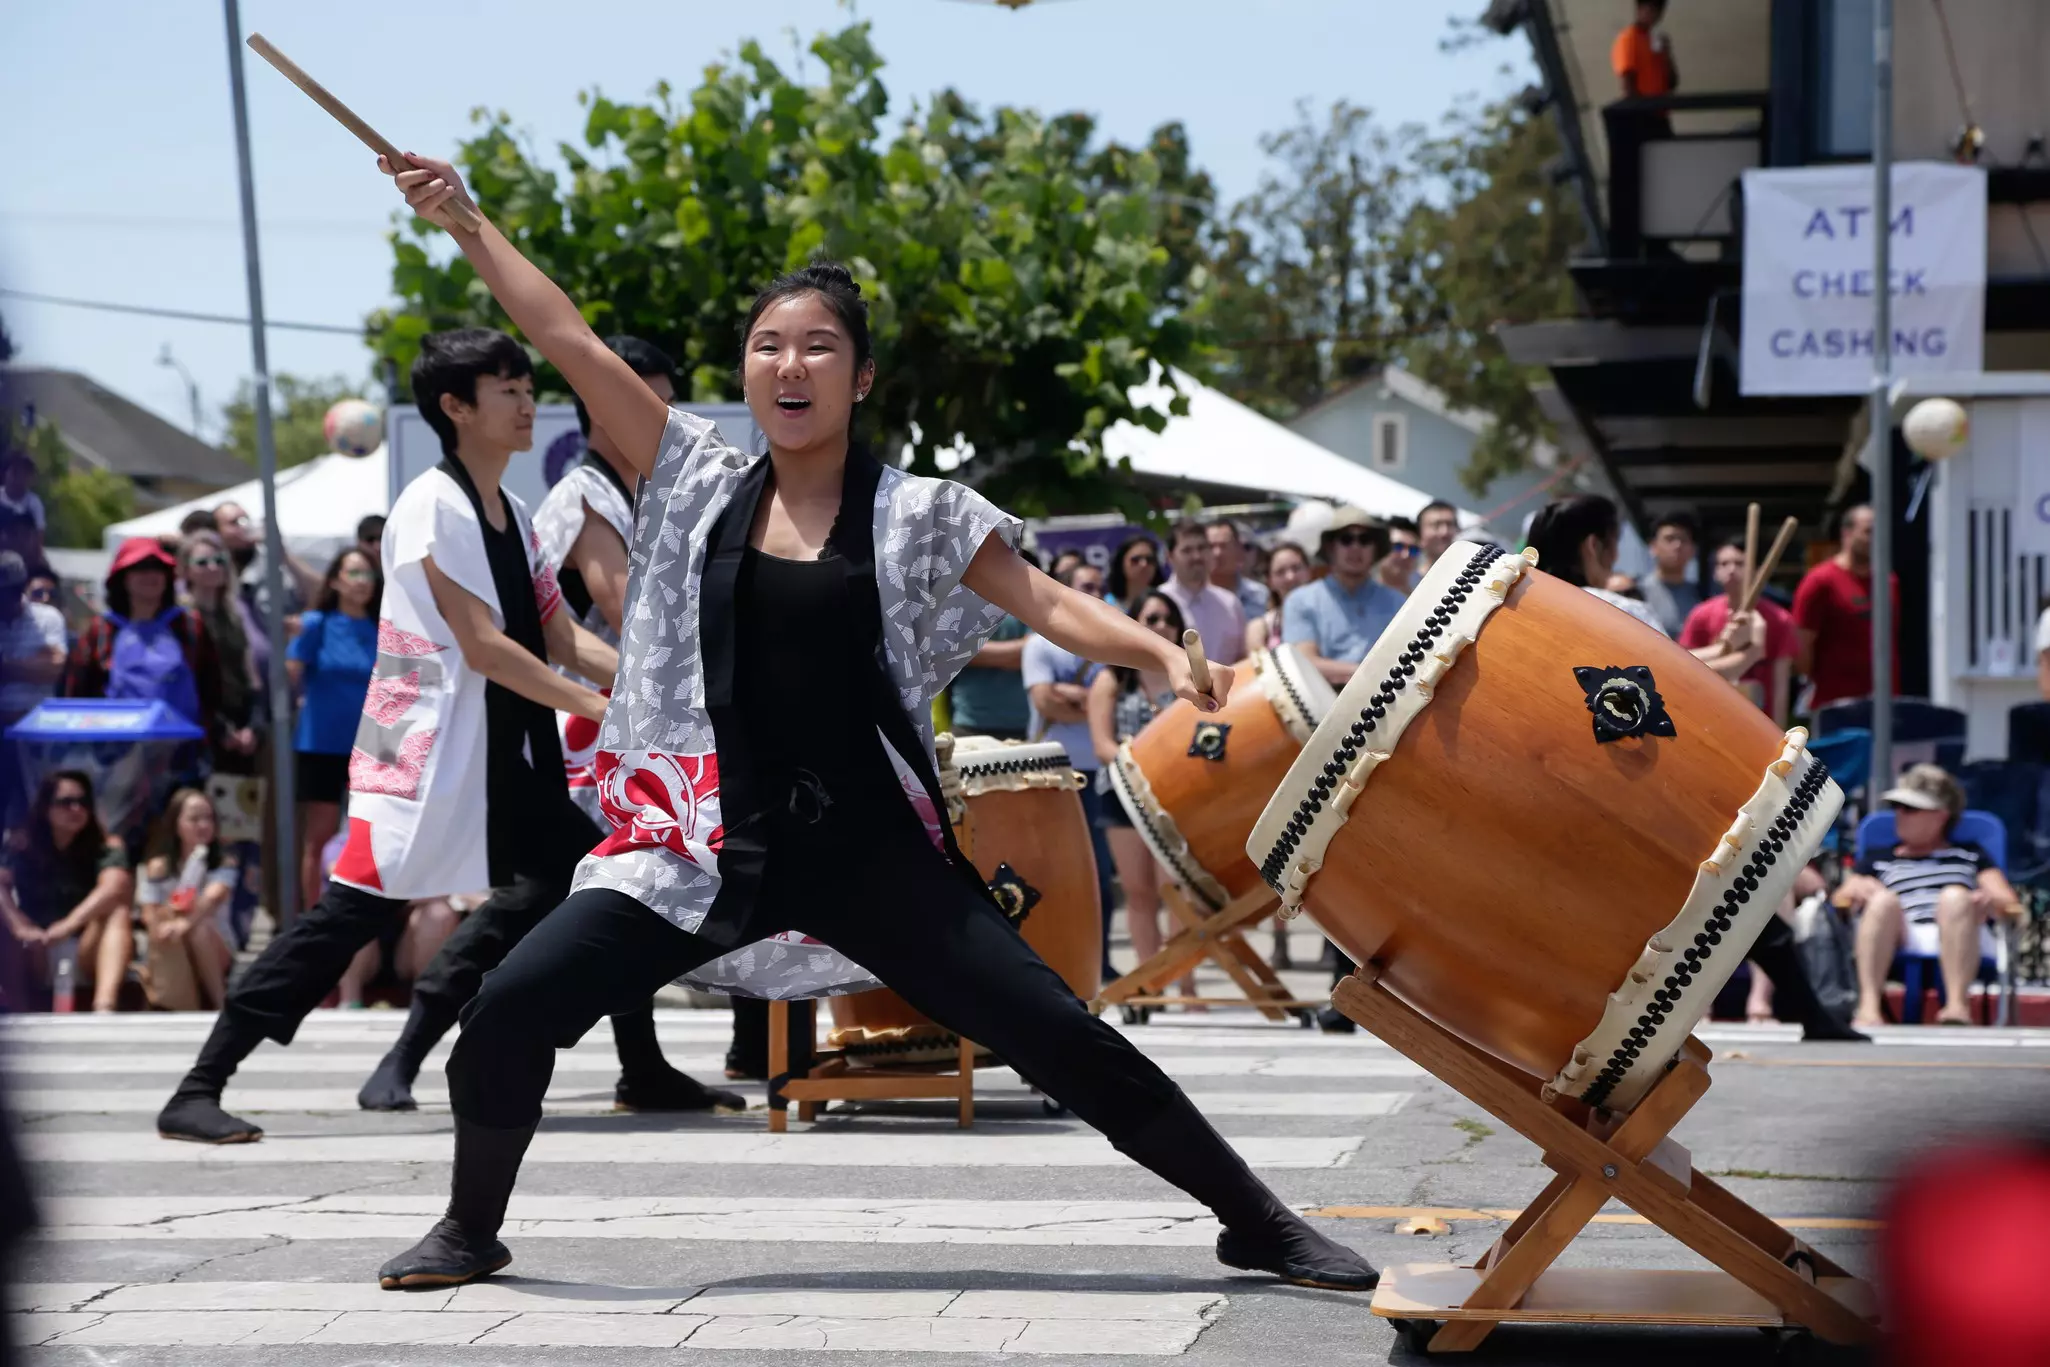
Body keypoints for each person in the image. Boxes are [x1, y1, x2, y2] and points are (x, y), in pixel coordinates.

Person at [370, 152, 1374, 1294]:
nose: (788, 365)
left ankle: (1255, 1220)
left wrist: (1152, 648)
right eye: (767, 346)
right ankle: (469, 1225)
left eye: (817, 347)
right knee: (509, 1008)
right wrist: (464, 220)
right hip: (703, 841)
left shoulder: (921, 514)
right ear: (744, 374)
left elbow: (1045, 600)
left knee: (1059, 1033)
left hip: (869, 849)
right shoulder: (693, 474)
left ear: (859, 376)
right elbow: (571, 341)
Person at [155, 327, 718, 1146]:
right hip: (415, 757)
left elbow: (559, 635)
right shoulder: (432, 506)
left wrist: (649, 687)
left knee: (616, 879)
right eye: (507, 389)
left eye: (528, 387)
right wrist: (609, 711)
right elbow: (486, 647)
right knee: (342, 921)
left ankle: (641, 1063)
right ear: (455, 407)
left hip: (498, 760)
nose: (527, 402)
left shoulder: (515, 511)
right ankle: (199, 1085)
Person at [532, 334, 745, 1111]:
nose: (650, 415)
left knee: (634, 881)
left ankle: (655, 1060)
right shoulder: (583, 493)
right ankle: (422, 1039)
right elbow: (618, 608)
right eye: (633, 396)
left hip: (638, 716)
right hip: (589, 722)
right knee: (594, 889)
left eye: (660, 401)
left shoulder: (653, 495)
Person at [1839, 764, 2025, 1028]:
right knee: (1882, 901)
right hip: (1899, 932)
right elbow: (1841, 900)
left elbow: (2007, 901)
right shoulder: (1879, 858)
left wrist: (1989, 899)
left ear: (1941, 815)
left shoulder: (1970, 855)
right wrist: (1857, 889)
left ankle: (1957, 1007)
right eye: (1896, 808)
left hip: (1958, 929)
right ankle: (1868, 1008)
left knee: (1955, 897)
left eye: (1910, 809)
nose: (1899, 815)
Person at [1088, 591, 1195, 1005]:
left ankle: (1184, 984)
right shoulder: (1111, 678)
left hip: (1176, 794)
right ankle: (1152, 984)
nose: (1162, 625)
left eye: (1169, 618)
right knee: (1139, 891)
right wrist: (1146, 768)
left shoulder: (1185, 677)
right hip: (1123, 795)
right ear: (1135, 623)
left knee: (1176, 892)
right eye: (1151, 617)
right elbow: (1102, 745)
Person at [1023, 561, 1121, 977]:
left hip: (1098, 774)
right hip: (1051, 776)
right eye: (1085, 586)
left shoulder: (1115, 639)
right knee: (1048, 875)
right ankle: (1049, 959)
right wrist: (1099, 703)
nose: (1094, 593)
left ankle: (1098, 962)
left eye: (1099, 587)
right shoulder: (1040, 643)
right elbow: (1044, 700)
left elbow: (1122, 700)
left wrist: (1079, 699)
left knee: (1100, 877)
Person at [287, 547, 382, 912]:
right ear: (336, 581)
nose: (362, 582)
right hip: (322, 744)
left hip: (374, 748)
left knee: (368, 835)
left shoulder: (383, 628)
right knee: (318, 838)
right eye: (354, 573)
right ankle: (311, 916)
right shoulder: (316, 624)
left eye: (368, 574)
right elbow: (290, 675)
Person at [0, 770, 134, 1012]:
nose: (76, 809)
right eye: (66, 803)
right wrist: (19, 925)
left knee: (118, 912)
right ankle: (18, 1013)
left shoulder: (106, 845)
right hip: (37, 948)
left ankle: (104, 1007)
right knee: (6, 925)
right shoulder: (22, 845)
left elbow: (115, 886)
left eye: (83, 802)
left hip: (87, 948)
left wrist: (69, 924)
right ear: (45, 808)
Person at [63, 538, 220, 736]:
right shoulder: (101, 630)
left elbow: (211, 688)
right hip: (114, 750)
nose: (151, 575)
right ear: (123, 578)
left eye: (158, 567)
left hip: (181, 750)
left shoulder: (189, 625)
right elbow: (77, 692)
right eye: (141, 568)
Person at [135, 787, 239, 1012]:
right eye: (194, 819)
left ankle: (222, 1005)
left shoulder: (223, 863)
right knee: (165, 932)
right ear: (176, 824)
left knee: (198, 927)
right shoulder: (158, 867)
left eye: (208, 818)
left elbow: (212, 899)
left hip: (215, 945)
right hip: (172, 945)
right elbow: (148, 911)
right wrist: (160, 929)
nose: (203, 825)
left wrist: (183, 924)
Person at [1282, 508, 1407, 689]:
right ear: (1331, 548)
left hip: (1386, 700)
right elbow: (1304, 661)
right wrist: (1365, 673)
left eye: (1365, 540)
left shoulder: (1399, 603)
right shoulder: (1300, 600)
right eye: (1346, 539)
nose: (1355, 547)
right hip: (1324, 703)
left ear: (1375, 549)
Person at [1680, 538, 1798, 725]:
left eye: (1740, 563)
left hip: (1758, 721)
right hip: (1710, 716)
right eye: (1724, 564)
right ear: (1715, 572)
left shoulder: (1779, 619)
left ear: (1758, 570)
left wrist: (1779, 732)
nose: (1731, 569)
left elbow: (1780, 685)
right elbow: (1682, 664)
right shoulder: (1701, 615)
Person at [1793, 504, 1898, 710]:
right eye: (1868, 531)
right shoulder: (1820, 581)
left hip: (1884, 704)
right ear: (1847, 533)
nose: (1875, 539)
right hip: (1835, 704)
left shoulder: (1888, 581)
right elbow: (1801, 646)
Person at [178, 532, 261, 776]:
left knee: (238, 811)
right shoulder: (182, 617)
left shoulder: (234, 615)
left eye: (220, 561)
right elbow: (188, 680)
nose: (213, 567)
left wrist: (253, 725)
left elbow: (251, 676)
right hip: (199, 725)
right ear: (186, 570)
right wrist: (219, 727)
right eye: (203, 563)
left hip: (240, 727)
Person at [1524, 495, 1668, 634]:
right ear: (1593, 545)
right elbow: (1670, 659)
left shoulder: (1512, 609)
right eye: (1615, 542)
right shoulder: (1627, 614)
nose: (1615, 556)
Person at [0, 551, 67, 830]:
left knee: (37, 818)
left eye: (12, 593)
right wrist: (30, 665)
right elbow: (41, 666)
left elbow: (53, 667)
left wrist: (4, 667)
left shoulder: (46, 618)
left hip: (37, 736)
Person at [1161, 522, 1246, 665]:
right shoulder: (1158, 604)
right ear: (1170, 557)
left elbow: (1242, 657)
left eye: (1202, 548)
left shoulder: (1229, 604)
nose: (1196, 556)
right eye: (1187, 550)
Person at [1637, 512, 1702, 640]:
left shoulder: (1703, 595)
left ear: (1693, 550)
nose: (1677, 546)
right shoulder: (1636, 593)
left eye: (1683, 540)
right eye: (1669, 539)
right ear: (1653, 547)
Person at [1243, 541, 1311, 657]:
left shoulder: (1331, 615)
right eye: (1280, 572)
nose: (1290, 577)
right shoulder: (1260, 628)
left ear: (1309, 571)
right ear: (1270, 581)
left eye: (1296, 568)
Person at [1206, 520, 1271, 625]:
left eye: (1223, 546)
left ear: (1238, 549)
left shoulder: (1260, 595)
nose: (1217, 553)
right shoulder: (1193, 598)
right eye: (1211, 546)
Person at [1613, 0, 1678, 99]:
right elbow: (1627, 82)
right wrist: (1638, 107)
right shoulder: (1629, 38)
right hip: (1641, 109)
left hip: (1659, 107)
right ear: (1639, 9)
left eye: (1658, 11)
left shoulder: (1656, 40)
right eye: (1650, 9)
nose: (1655, 16)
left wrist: (1667, 56)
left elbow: (1672, 83)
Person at [0, 454, 45, 570]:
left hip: (26, 565)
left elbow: (39, 537)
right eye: (15, 472)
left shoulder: (34, 503)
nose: (18, 479)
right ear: (6, 474)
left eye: (24, 474)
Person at [1107, 535, 1160, 614]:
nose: (1144, 564)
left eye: (1150, 559)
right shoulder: (1106, 604)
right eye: (1135, 559)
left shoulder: (1166, 600)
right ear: (1121, 563)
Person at [1376, 517, 1421, 595]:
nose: (1406, 555)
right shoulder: (1358, 594)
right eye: (1398, 547)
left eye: (1413, 549)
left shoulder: (1425, 598)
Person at [1416, 500, 1460, 578]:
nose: (1444, 532)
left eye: (1450, 525)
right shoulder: (1406, 583)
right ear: (1420, 532)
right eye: (1436, 525)